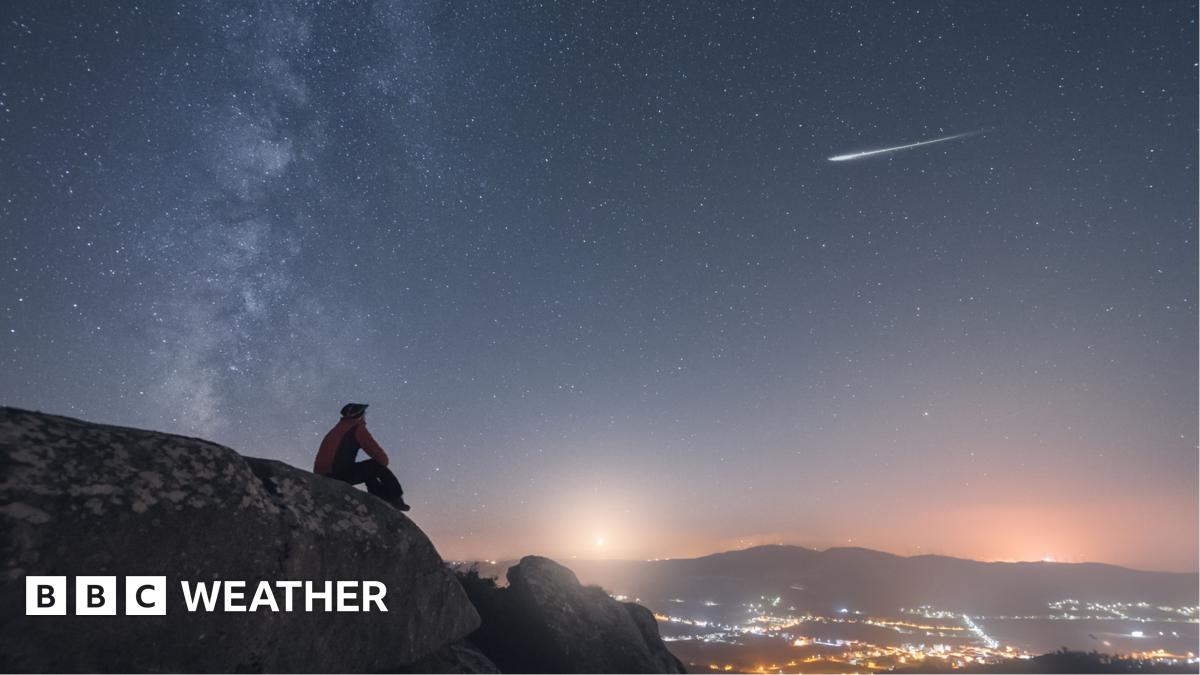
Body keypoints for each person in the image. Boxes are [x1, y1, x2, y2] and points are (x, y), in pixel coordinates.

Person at [313, 403, 410, 511]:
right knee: (375, 465)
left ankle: (379, 498)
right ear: (360, 415)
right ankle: (394, 498)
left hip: (323, 474)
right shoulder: (356, 429)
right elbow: (383, 460)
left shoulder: (337, 429)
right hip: (337, 474)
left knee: (368, 470)